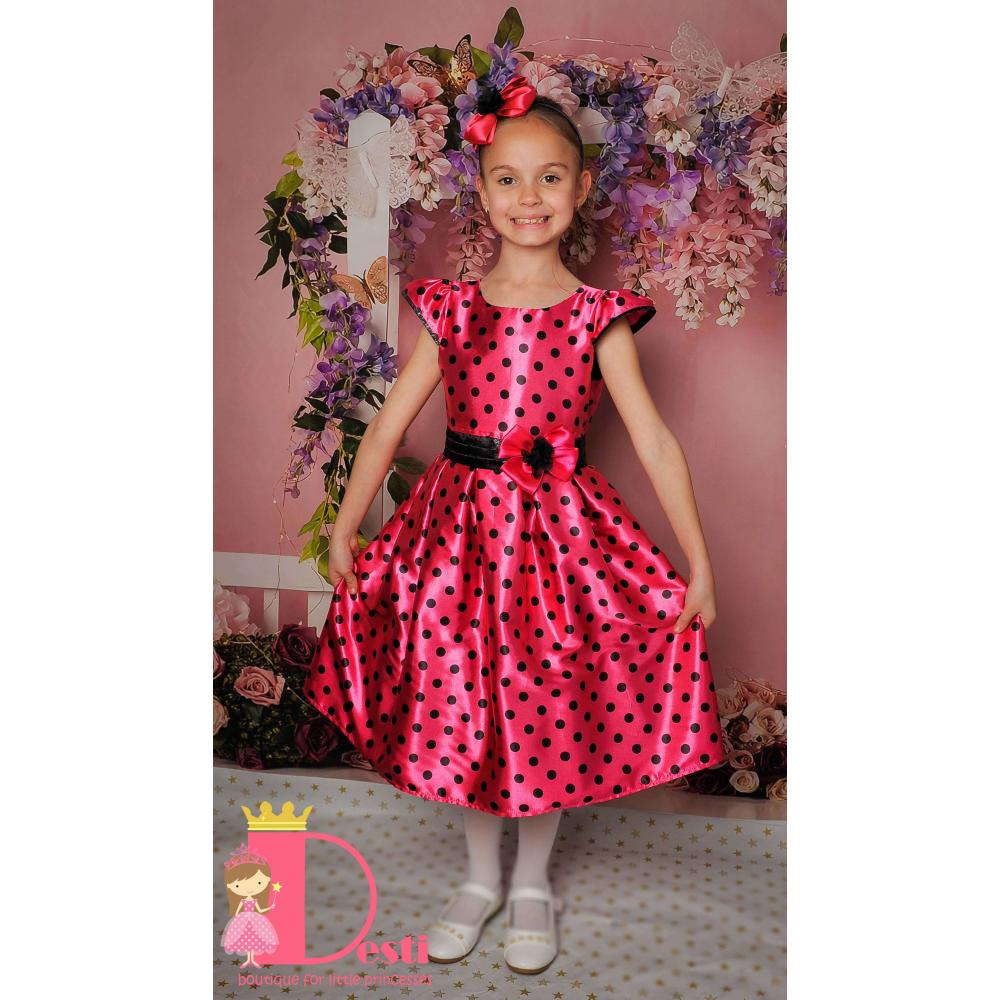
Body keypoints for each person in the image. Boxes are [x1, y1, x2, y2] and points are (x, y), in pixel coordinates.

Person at [304, 73, 727, 976]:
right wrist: (345, 524)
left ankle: (532, 882)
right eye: (507, 178)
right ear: (482, 188)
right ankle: (478, 878)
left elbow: (654, 439)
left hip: (561, 541)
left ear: (581, 189)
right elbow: (389, 426)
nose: (528, 197)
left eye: (549, 178)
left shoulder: (599, 317)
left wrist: (699, 564)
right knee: (460, 697)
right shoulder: (450, 309)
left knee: (544, 702)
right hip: (455, 540)